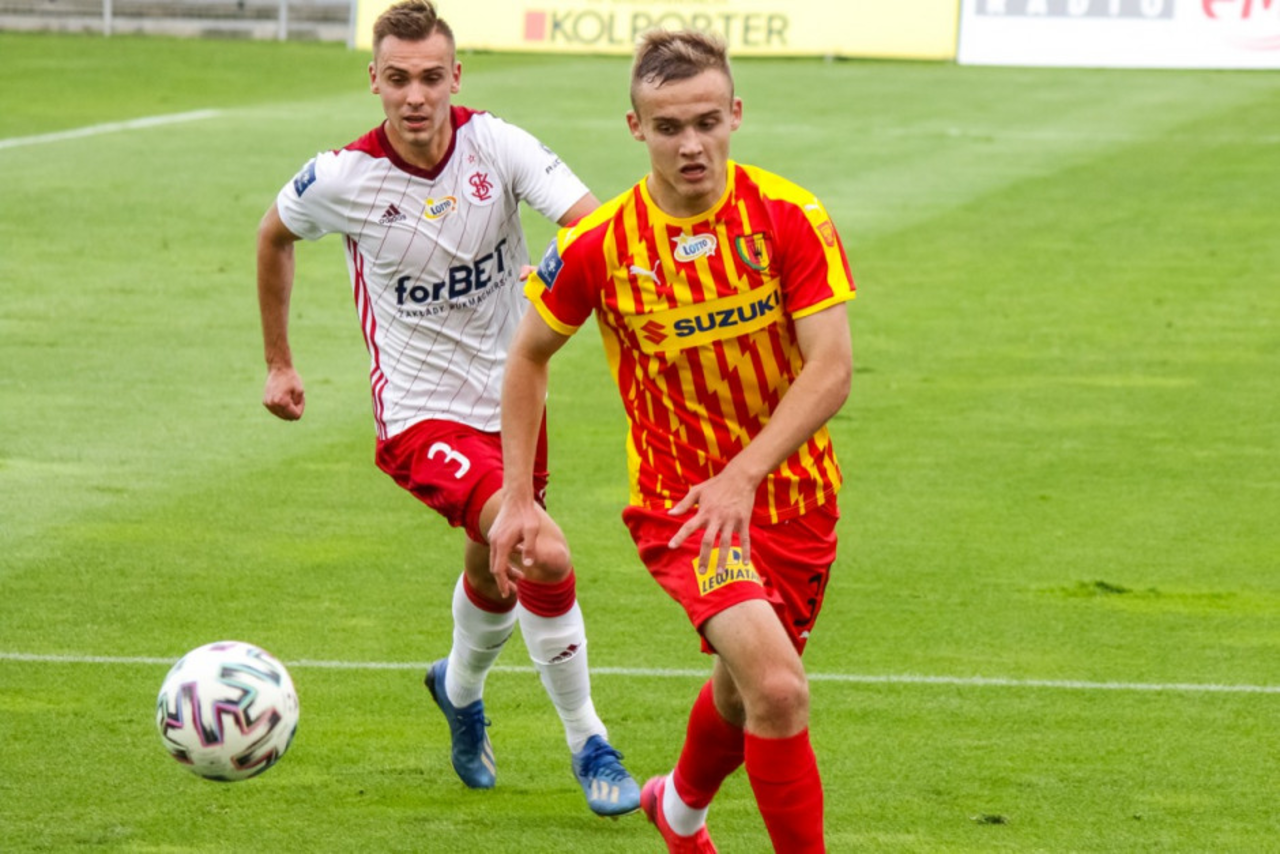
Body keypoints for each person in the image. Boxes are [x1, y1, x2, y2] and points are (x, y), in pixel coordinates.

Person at [255, 0, 639, 818]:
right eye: (398, 78)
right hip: (419, 417)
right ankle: (590, 742)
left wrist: (556, 269)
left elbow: (596, 226)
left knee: (494, 568)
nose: (415, 95)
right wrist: (280, 363)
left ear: (456, 76)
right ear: (374, 80)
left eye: (431, 77)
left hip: (514, 405)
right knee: (539, 550)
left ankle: (457, 688)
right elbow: (272, 236)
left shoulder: (496, 145)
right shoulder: (342, 178)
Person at [489, 28, 855, 853]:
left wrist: (746, 475)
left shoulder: (790, 219)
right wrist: (517, 498)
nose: (691, 145)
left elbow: (831, 369)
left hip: (796, 502)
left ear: (735, 115)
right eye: (668, 127)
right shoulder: (598, 244)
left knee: (740, 690)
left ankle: (679, 810)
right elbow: (528, 355)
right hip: (685, 509)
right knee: (779, 689)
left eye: (706, 122)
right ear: (636, 128)